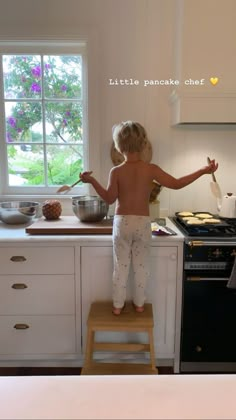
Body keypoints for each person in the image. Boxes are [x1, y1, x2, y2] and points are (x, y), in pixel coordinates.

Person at [79, 121, 218, 315]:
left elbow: (109, 199)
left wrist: (92, 180)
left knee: (121, 267)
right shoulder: (151, 169)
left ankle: (118, 306)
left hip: (122, 223)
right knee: (141, 267)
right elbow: (177, 184)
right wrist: (203, 171)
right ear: (144, 144)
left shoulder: (116, 171)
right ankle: (139, 304)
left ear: (118, 146)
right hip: (143, 223)